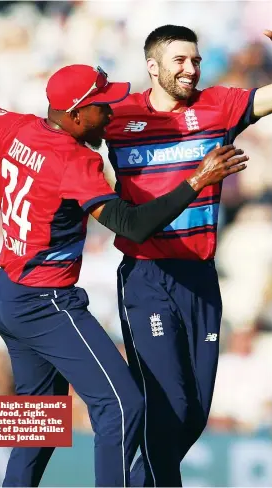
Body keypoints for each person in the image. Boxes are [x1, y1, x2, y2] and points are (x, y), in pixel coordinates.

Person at [0, 25, 249, 488]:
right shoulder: (74, 161)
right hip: (45, 301)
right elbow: (133, 226)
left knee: (39, 425)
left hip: (7, 293)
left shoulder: (17, 127)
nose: (109, 112)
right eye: (102, 106)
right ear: (76, 115)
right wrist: (196, 181)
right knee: (122, 406)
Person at [104, 24, 272, 487]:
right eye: (179, 60)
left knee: (194, 413)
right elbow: (59, 127)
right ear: (152, 66)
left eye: (195, 60)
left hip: (200, 275)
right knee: (168, 406)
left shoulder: (217, 105)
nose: (190, 68)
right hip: (146, 276)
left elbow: (266, 99)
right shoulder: (117, 115)